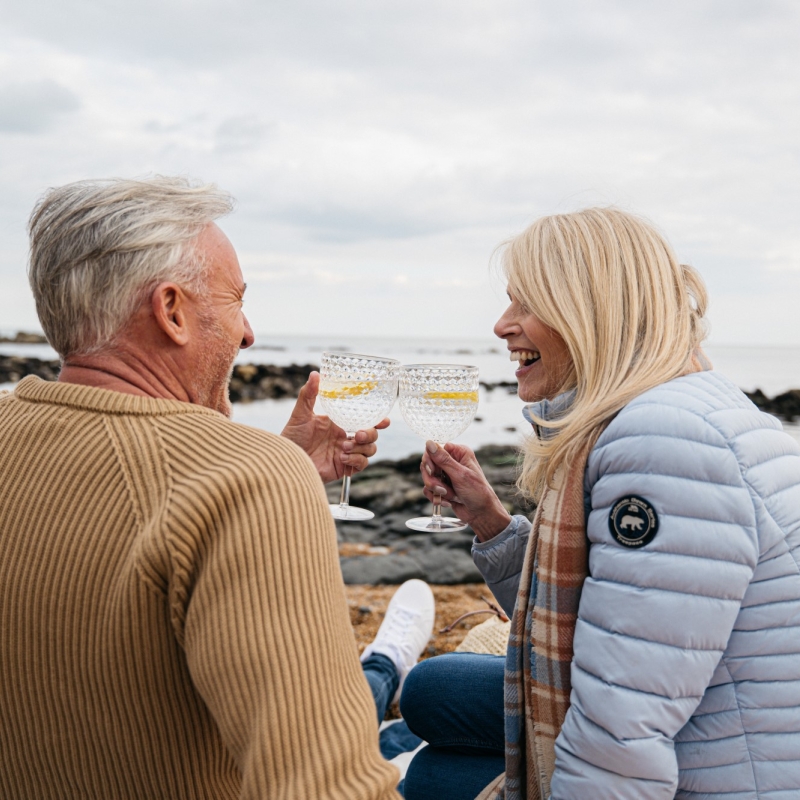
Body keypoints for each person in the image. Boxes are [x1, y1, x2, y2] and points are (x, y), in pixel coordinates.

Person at [0, 176, 434, 799]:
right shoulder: (246, 479)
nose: (249, 333)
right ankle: (387, 668)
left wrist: (279, 472)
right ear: (171, 310)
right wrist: (265, 478)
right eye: (236, 301)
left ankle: (384, 669)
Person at [401, 208, 800, 799]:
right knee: (433, 693)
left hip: (730, 774)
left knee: (432, 774)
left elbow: (623, 734)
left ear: (588, 314)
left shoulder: (664, 444)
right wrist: (490, 523)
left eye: (525, 304)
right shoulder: (684, 405)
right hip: (728, 727)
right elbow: (611, 620)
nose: (501, 325)